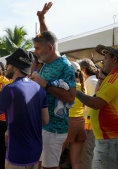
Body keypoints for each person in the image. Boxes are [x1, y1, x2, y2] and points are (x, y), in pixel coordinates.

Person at [0, 48, 49, 169]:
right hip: (35, 150)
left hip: (17, 152)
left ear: (16, 66)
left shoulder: (9, 89)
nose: (6, 67)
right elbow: (46, 120)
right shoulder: (40, 89)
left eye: (8, 64)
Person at [29, 2, 76, 169]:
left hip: (54, 128)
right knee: (42, 165)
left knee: (50, 167)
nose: (35, 52)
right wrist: (41, 18)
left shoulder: (65, 67)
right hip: (43, 126)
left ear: (49, 48)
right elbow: (47, 37)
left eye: (37, 49)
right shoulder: (48, 61)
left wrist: (45, 84)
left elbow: (71, 97)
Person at [75, 44, 118, 169]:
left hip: (110, 141)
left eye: (106, 57)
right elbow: (98, 96)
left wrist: (73, 90)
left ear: (115, 59)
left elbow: (95, 103)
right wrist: (101, 79)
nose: (102, 61)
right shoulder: (113, 77)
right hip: (110, 140)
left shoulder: (116, 79)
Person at [60, 62, 87, 169]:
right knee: (76, 162)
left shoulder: (64, 87)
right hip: (80, 124)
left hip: (66, 124)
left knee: (55, 158)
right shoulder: (83, 87)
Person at [76, 58, 98, 169]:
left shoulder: (92, 82)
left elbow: (93, 105)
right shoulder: (90, 82)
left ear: (83, 70)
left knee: (87, 154)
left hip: (91, 125)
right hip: (88, 124)